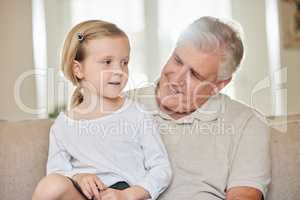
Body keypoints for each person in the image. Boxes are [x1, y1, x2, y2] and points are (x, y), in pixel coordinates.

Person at [128, 16, 271, 200]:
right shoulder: (121, 104)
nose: (176, 78)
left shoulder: (248, 122)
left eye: (195, 74)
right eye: (178, 60)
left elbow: (244, 196)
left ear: (219, 85)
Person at [32, 20, 172, 200]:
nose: (119, 70)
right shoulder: (63, 126)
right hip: (84, 195)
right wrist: (78, 177)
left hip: (124, 194)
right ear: (78, 69)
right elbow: (56, 171)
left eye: (124, 62)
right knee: (50, 185)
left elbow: (161, 169)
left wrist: (129, 195)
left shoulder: (136, 114)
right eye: (107, 62)